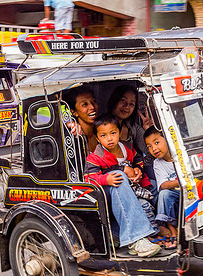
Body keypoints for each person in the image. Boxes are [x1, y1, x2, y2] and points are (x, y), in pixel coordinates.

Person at [85, 113, 161, 257]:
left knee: (156, 186)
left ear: (120, 132)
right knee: (118, 177)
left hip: (130, 189)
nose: (109, 138)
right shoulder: (96, 157)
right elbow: (89, 178)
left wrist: (138, 170)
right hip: (106, 193)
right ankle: (136, 239)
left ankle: (160, 227)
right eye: (103, 135)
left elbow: (138, 160)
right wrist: (106, 179)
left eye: (113, 133)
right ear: (97, 138)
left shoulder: (127, 147)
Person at [144, 127, 179, 249]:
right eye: (149, 146)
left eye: (156, 142)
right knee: (164, 194)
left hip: (191, 193)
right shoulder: (158, 163)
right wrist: (179, 181)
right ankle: (173, 232)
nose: (153, 149)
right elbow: (163, 185)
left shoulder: (181, 153)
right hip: (176, 196)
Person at [64, 86, 99, 152]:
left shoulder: (102, 131)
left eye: (93, 101)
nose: (92, 107)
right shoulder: (72, 137)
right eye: (85, 104)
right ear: (74, 112)